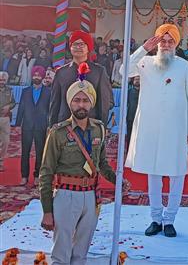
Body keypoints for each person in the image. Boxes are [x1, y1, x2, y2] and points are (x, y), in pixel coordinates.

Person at [39, 64, 130, 265]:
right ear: (70, 103)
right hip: (65, 195)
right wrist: (47, 210)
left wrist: (118, 179)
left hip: (91, 197)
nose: (81, 105)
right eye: (77, 100)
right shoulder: (58, 133)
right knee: (61, 255)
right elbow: (46, 173)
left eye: (85, 101)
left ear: (92, 104)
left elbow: (102, 164)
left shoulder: (99, 129)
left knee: (81, 254)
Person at [120, 24, 188, 237]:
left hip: (176, 128)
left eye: (170, 41)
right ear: (156, 43)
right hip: (151, 128)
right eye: (162, 41)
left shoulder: (183, 66)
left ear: (176, 44)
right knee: (153, 175)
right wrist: (143, 48)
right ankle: (155, 219)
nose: (166, 44)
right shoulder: (144, 62)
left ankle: (170, 219)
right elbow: (123, 71)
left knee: (177, 174)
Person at [49, 30, 114, 127]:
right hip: (64, 126)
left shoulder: (99, 71)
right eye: (75, 44)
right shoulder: (61, 72)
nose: (78, 47)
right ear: (70, 48)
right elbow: (54, 103)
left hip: (90, 127)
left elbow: (104, 103)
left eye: (82, 44)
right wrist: (52, 127)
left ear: (88, 48)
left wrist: (101, 128)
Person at [15, 66, 50, 185]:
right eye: (34, 75)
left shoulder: (48, 92)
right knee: (25, 152)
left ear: (42, 77)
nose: (36, 77)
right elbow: (21, 108)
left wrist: (50, 124)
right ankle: (24, 176)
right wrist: (17, 124)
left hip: (41, 126)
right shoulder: (25, 91)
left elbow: (50, 110)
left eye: (39, 75)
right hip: (27, 126)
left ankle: (37, 176)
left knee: (40, 152)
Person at [0, 71, 16, 171]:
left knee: (5, 142)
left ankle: (1, 162)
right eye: (0, 79)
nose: (1, 81)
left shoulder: (9, 90)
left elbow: (13, 103)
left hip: (5, 118)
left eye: (3, 80)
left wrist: (9, 107)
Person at [126, 75, 140, 142]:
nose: (137, 81)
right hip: (130, 117)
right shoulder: (129, 91)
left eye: (138, 79)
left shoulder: (143, 92)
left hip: (140, 117)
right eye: (136, 79)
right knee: (130, 135)